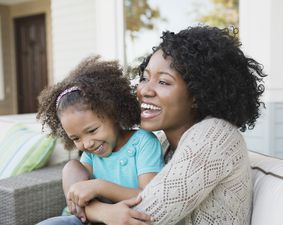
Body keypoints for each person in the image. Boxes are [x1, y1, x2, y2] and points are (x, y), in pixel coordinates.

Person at [38, 24, 266, 225]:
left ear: (197, 93)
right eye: (145, 77)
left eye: (164, 81)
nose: (144, 90)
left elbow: (145, 216)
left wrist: (96, 198)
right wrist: (92, 201)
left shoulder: (215, 135)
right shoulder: (166, 140)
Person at [36, 56, 164, 224]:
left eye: (92, 130)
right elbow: (78, 191)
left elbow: (149, 196)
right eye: (75, 138)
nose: (87, 143)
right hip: (88, 220)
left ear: (114, 114)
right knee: (70, 167)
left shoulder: (143, 142)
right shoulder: (91, 154)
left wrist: (99, 186)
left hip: (128, 220)